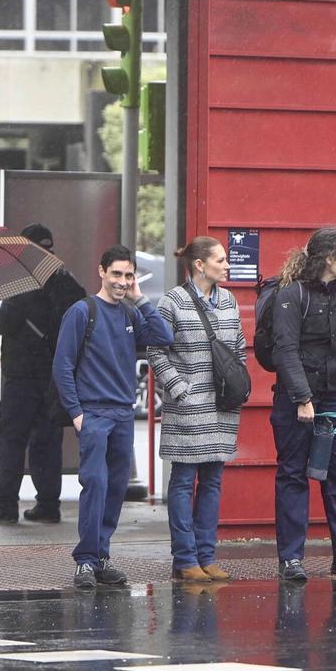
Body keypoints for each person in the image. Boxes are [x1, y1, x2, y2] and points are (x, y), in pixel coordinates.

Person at [54, 244, 173, 589]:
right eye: (117, 274)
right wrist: (76, 413)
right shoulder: (82, 312)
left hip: (122, 414)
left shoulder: (130, 313)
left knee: (116, 488)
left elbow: (164, 337)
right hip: (93, 413)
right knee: (96, 484)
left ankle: (101, 556)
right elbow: (62, 365)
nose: (122, 281)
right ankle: (86, 561)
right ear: (101, 272)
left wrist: (141, 299)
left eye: (129, 275)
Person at [270, 226, 336, 583]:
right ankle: (290, 559)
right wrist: (302, 398)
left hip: (332, 399)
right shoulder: (291, 294)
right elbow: (284, 350)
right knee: (294, 476)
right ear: (329, 258)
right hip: (295, 400)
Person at [148, 236, 245, 583]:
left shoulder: (229, 301)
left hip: (222, 408)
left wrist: (238, 386)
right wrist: (179, 390)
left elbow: (239, 348)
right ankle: (185, 558)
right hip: (187, 409)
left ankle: (207, 556)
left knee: (213, 482)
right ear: (200, 265)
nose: (227, 265)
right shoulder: (172, 302)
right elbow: (156, 351)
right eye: (220, 260)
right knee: (183, 481)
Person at [0, 223, 85, 524]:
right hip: (54, 376)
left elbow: (5, 323)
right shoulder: (66, 281)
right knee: (47, 443)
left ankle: (5, 503)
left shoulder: (20, 282)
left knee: (12, 440)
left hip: (21, 376)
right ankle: (48, 505)